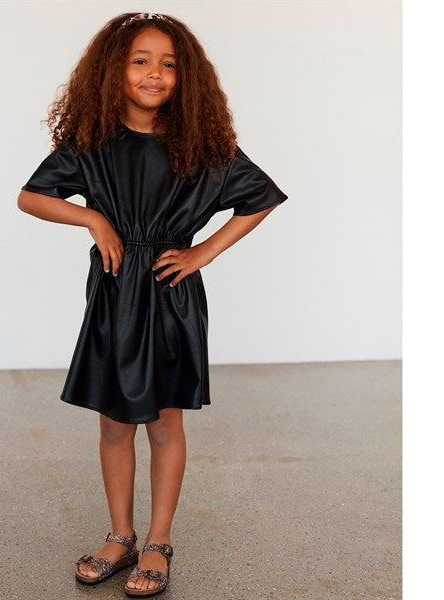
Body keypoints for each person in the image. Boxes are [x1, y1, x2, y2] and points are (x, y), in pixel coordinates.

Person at [17, 11, 288, 597]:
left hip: (169, 294)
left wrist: (202, 252)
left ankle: (159, 542)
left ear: (186, 76)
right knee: (115, 421)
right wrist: (94, 218)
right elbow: (31, 197)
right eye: (140, 61)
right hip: (115, 293)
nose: (155, 74)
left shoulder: (202, 145)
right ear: (113, 71)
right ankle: (121, 536)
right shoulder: (92, 143)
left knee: (165, 421)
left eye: (168, 64)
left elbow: (260, 197)